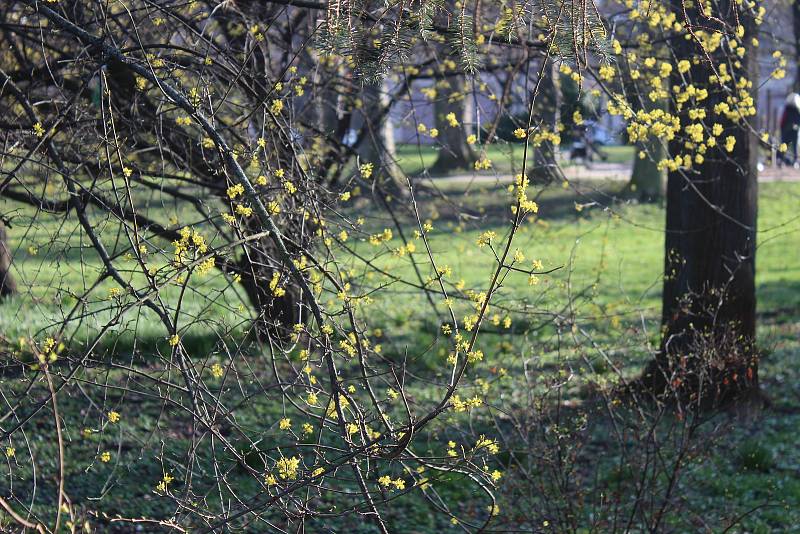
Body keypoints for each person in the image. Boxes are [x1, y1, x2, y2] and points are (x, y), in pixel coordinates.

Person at [778, 92, 800, 167]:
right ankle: (782, 160)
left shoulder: (791, 109)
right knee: (787, 145)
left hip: (790, 131)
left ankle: (791, 161)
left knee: (791, 146)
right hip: (789, 131)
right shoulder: (790, 110)